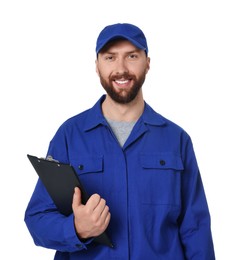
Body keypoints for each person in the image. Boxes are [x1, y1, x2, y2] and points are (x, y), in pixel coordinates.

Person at [24, 23, 215, 259]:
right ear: (97, 66)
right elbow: (37, 219)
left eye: (132, 56)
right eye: (110, 57)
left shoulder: (177, 140)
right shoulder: (69, 135)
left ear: (148, 63)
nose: (121, 68)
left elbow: (196, 228)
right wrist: (76, 229)